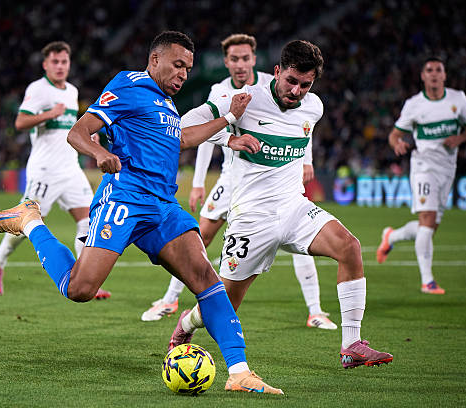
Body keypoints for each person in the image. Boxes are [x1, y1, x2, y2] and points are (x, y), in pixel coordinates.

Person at [0, 31, 284, 394]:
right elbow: (77, 132)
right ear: (155, 60)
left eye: (188, 68)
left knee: (206, 278)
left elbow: (182, 139)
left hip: (163, 206)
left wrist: (228, 119)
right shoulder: (129, 84)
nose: (183, 74)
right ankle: (30, 221)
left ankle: (239, 372)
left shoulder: (167, 104)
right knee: (80, 289)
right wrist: (99, 152)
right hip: (125, 199)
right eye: (177, 65)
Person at [168, 39, 393, 370]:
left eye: (306, 84)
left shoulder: (314, 106)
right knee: (226, 303)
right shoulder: (244, 99)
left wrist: (307, 161)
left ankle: (351, 345)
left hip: (293, 208)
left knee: (349, 247)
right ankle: (187, 322)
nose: (297, 91)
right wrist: (229, 137)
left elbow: (305, 131)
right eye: (291, 81)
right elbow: (183, 125)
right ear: (276, 72)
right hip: (251, 217)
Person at [142, 34, 337, 331]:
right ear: (226, 62)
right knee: (200, 238)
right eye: (234, 59)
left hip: (269, 183)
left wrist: (306, 161)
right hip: (231, 178)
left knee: (299, 239)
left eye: (245, 58)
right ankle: (170, 299)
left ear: (255, 60)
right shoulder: (221, 91)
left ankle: (315, 310)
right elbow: (201, 132)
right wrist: (199, 181)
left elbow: (301, 125)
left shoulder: (276, 85)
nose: (240, 64)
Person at [0, 41, 110, 300]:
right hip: (44, 170)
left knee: (88, 221)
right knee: (26, 222)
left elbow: (71, 127)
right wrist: (49, 114)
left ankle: (84, 279)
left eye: (64, 62)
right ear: (45, 64)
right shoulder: (38, 89)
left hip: (71, 169)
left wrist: (89, 137)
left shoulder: (72, 91)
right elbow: (20, 122)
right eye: (55, 62)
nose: (60, 66)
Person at [377, 57, 466, 294]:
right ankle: (427, 281)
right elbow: (394, 135)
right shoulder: (414, 105)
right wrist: (397, 144)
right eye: (429, 70)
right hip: (423, 167)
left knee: (429, 226)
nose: (434, 74)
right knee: (428, 219)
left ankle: (391, 237)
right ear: (423, 76)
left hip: (447, 169)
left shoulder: (458, 99)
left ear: (444, 75)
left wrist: (460, 138)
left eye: (438, 70)